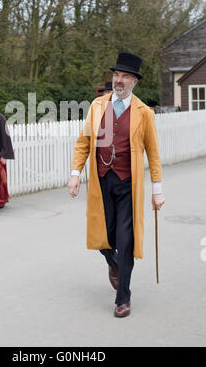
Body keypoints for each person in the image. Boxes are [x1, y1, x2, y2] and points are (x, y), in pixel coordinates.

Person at [67, 52, 165, 318]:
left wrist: (157, 189)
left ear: (134, 81)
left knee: (126, 240)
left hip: (127, 185)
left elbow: (153, 153)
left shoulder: (144, 113)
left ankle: (123, 298)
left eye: (124, 77)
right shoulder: (98, 106)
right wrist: (75, 173)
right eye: (116, 75)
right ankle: (113, 264)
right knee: (103, 238)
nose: (118, 80)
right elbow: (83, 142)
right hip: (101, 182)